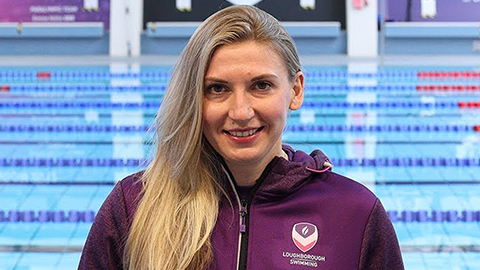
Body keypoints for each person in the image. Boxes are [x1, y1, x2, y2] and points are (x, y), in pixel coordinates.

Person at [78, 5, 404, 270]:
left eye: (261, 85)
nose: (241, 111)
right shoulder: (134, 206)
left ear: (296, 90)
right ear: (194, 97)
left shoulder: (354, 213)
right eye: (217, 89)